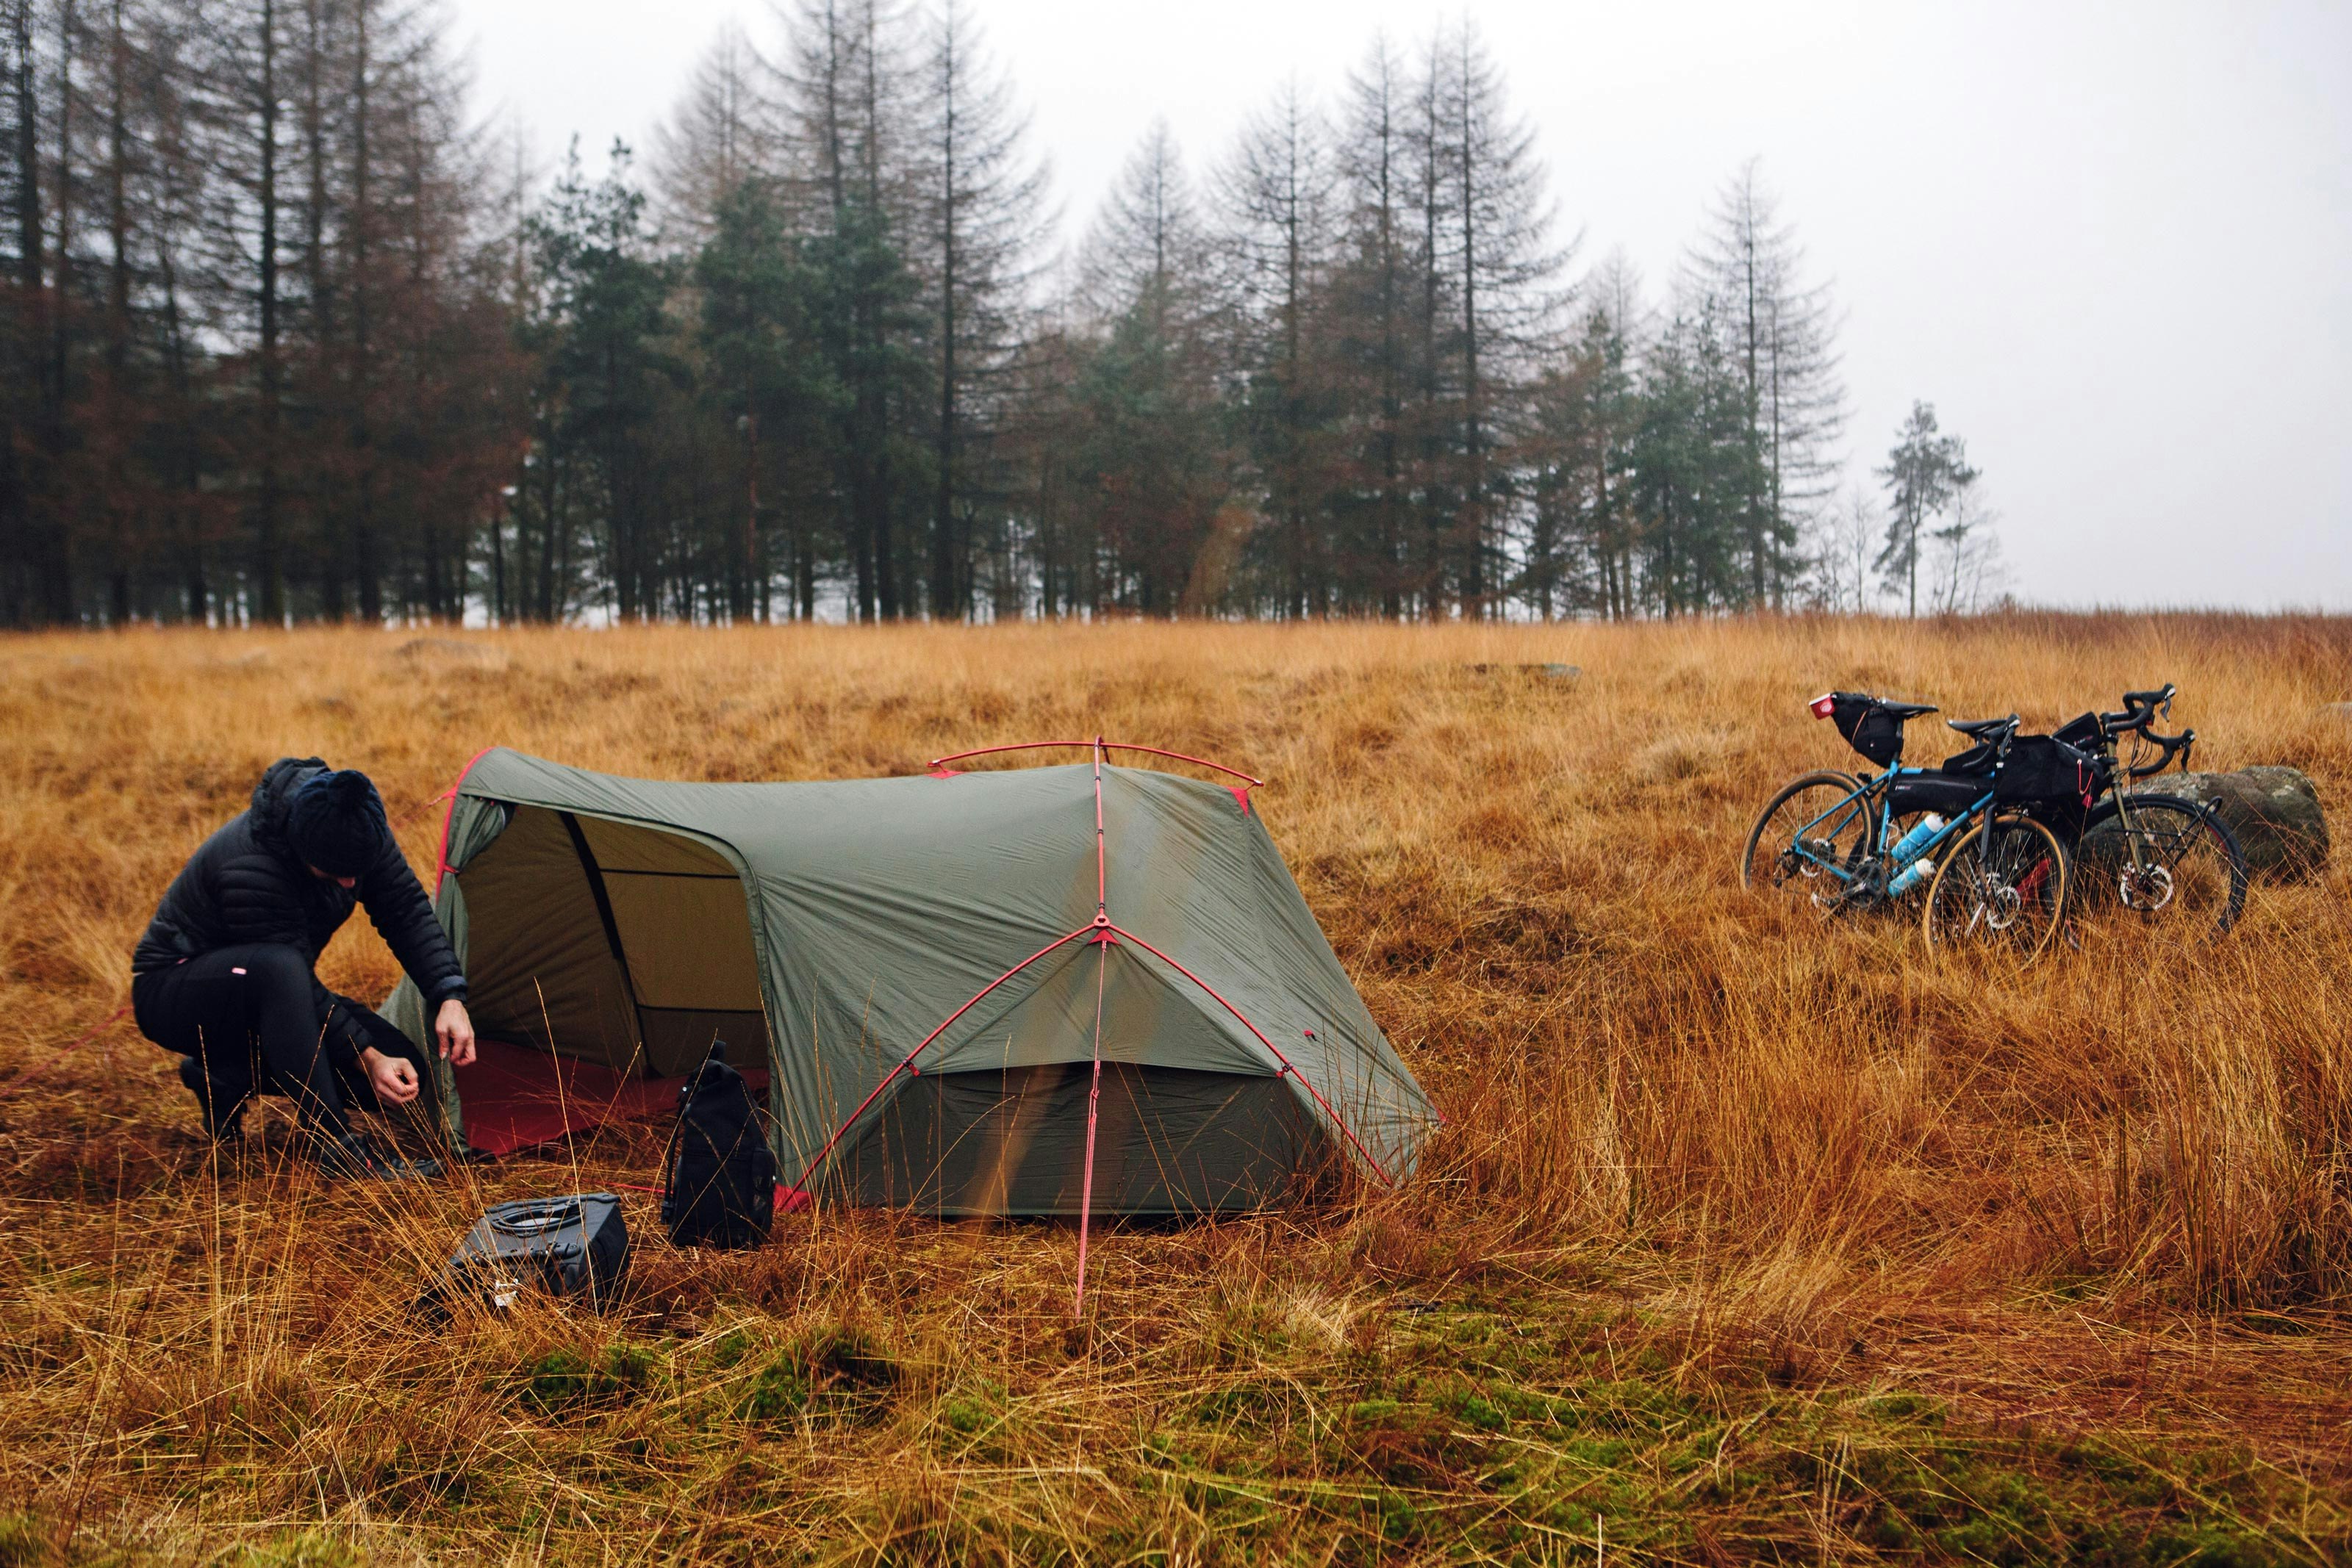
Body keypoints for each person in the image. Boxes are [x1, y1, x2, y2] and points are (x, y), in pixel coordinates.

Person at [131, 758, 477, 1179]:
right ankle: (339, 1149)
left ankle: (225, 1073)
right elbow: (289, 979)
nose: (350, 883)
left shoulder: (359, 829)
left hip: (272, 995)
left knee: (406, 1067)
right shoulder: (251, 866)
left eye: (357, 873)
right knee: (281, 968)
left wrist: (449, 994)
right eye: (335, 874)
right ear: (301, 848)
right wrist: (367, 1055)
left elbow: (405, 911)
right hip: (176, 994)